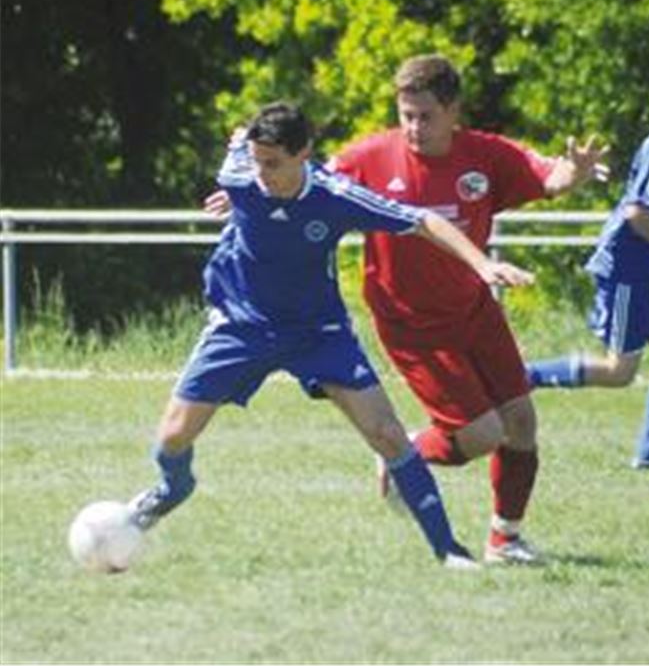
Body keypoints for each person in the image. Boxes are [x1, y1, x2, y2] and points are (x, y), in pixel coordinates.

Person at [130, 101, 536, 571]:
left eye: (274, 164)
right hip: (240, 325)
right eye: (257, 161)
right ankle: (173, 489)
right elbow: (242, 140)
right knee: (173, 436)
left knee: (387, 434)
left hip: (317, 332)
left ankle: (450, 551)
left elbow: (424, 220)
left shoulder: (335, 195)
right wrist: (241, 169)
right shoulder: (241, 171)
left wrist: (483, 264)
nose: (262, 174)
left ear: (305, 153)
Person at [327, 54, 607, 565]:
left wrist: (574, 173)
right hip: (410, 322)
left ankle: (505, 540)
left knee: (521, 422)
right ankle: (402, 453)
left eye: (425, 115)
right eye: (405, 113)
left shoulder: (485, 155)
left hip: (474, 309)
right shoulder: (370, 157)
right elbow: (308, 187)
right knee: (482, 435)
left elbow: (546, 176)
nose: (412, 126)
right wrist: (254, 194)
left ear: (454, 110)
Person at [525, 64, 649, 470]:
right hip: (626, 268)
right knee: (619, 371)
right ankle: (525, 377)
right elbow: (635, 213)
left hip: (648, 267)